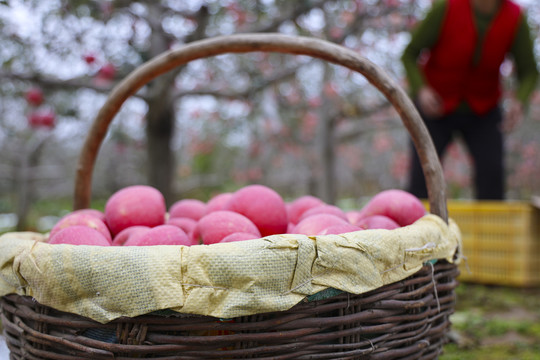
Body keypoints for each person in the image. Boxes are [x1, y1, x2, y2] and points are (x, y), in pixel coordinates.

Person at [401, 0, 538, 200]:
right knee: (422, 179)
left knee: (492, 181)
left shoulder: (516, 17)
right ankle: (415, 227)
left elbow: (529, 71)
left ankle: (490, 230)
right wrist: (421, 89)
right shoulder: (446, 7)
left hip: (485, 109)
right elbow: (410, 54)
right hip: (435, 107)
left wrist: (520, 100)